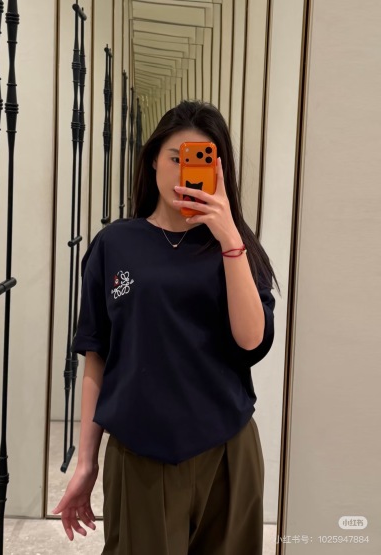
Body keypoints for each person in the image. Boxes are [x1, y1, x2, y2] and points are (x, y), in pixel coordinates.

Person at [53, 100, 279, 555]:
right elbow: (97, 355)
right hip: (139, 452)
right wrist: (86, 461)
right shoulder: (115, 244)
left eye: (201, 161)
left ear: (219, 171)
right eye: (176, 157)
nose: (183, 172)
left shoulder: (233, 245)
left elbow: (251, 342)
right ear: (153, 158)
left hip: (227, 450)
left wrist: (230, 239)